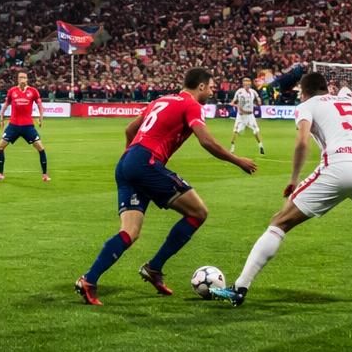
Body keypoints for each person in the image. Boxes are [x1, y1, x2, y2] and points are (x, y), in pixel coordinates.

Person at [212, 73, 352, 310]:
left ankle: (240, 288)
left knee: (279, 222)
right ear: (326, 88)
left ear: (304, 92)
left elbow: (302, 142)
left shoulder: (307, 105)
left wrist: (294, 179)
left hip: (337, 166)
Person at [74, 68, 257, 305]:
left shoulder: (161, 100)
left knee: (129, 232)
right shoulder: (191, 104)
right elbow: (206, 141)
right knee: (198, 212)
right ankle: (154, 267)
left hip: (127, 163)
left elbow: (130, 129)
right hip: (146, 163)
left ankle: (89, 280)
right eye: (211, 87)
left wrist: (131, 158)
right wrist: (237, 160)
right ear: (201, 86)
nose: (212, 92)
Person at [0, 71, 48, 182]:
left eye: (24, 77)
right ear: (17, 79)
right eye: (20, 77)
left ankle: (45, 175)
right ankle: (0, 174)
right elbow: (6, 104)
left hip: (28, 126)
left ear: (27, 79)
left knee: (40, 148)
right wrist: (1, 117)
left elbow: (40, 105)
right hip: (13, 126)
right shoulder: (12, 91)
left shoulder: (33, 91)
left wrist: (41, 117)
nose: (22, 79)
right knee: (0, 147)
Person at [229, 75, 266, 156]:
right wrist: (235, 105)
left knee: (256, 131)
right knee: (236, 131)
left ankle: (261, 147)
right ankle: (232, 148)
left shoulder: (253, 92)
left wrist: (259, 100)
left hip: (250, 116)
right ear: (243, 84)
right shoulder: (240, 92)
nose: (247, 85)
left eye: (248, 84)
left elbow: (257, 97)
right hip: (241, 116)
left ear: (250, 84)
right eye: (245, 84)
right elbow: (234, 102)